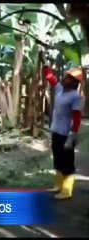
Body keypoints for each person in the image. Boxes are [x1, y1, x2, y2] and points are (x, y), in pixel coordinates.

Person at [43, 63, 84, 200]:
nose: (65, 79)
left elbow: (77, 119)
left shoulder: (76, 97)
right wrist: (46, 66)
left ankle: (67, 191)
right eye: (66, 77)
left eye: (69, 78)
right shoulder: (60, 90)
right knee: (58, 160)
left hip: (66, 134)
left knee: (67, 163)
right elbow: (51, 78)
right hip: (56, 131)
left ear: (75, 83)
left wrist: (71, 137)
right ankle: (58, 186)